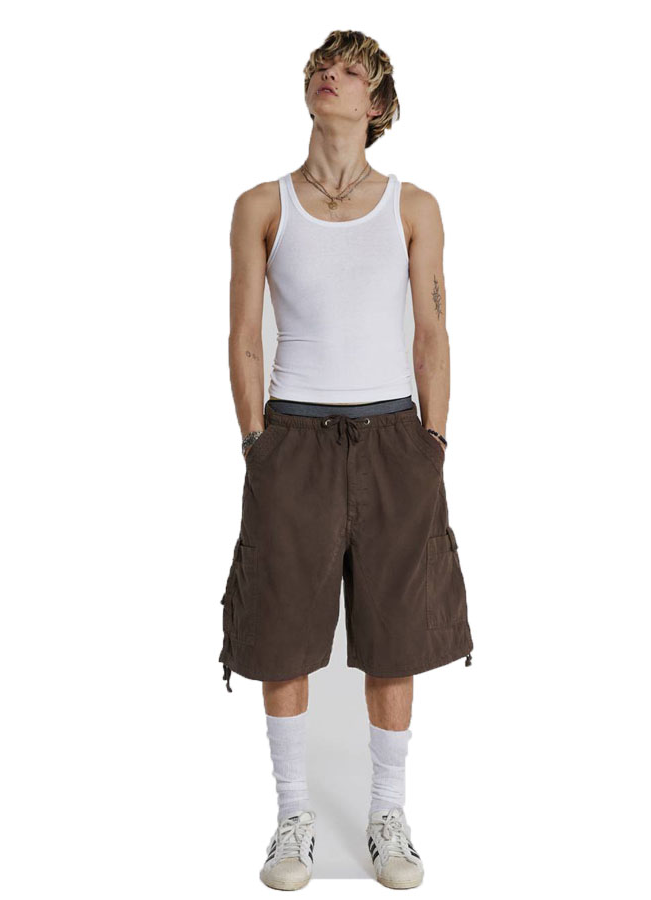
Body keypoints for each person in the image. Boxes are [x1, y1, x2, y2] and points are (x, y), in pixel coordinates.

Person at [218, 30, 473, 891]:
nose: (331, 74)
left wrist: (433, 443)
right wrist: (256, 443)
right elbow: (243, 335)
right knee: (281, 628)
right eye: (322, 66)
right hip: (292, 436)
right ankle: (293, 816)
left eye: (352, 69)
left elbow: (433, 332)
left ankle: (387, 816)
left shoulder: (413, 206)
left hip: (394, 435)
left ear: (378, 104)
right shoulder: (261, 204)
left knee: (395, 631)